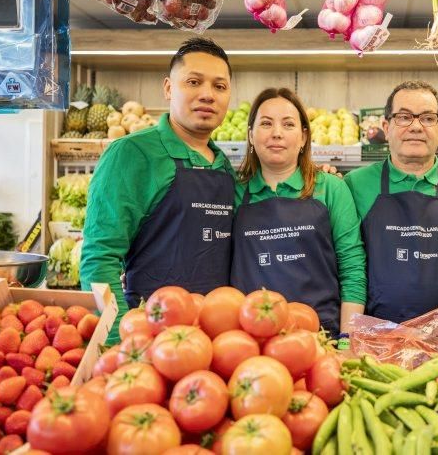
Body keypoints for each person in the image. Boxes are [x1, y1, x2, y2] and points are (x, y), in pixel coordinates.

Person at [80, 38, 236, 336]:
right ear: (168, 88)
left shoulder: (223, 166)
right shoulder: (131, 154)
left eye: (219, 86)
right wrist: (119, 338)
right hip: (148, 335)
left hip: (212, 341)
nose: (207, 95)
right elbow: (100, 257)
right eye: (193, 82)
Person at [231, 88, 366, 335]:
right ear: (250, 135)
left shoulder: (331, 188)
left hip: (321, 338)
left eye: (288, 124)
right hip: (251, 339)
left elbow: (353, 269)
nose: (277, 133)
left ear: (304, 136)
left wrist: (347, 340)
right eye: (266, 123)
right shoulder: (233, 193)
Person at [344, 81, 438, 323]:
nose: (416, 127)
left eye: (427, 118)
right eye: (404, 117)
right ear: (386, 126)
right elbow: (347, 266)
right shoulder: (353, 185)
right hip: (374, 333)